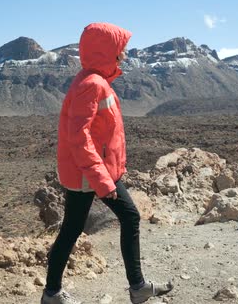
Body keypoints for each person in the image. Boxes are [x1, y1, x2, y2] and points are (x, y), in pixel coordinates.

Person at [41, 22, 174, 304]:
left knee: (75, 228)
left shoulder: (95, 80)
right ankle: (134, 288)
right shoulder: (91, 84)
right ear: (106, 51)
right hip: (91, 173)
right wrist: (102, 179)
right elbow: (79, 136)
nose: (124, 54)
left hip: (96, 170)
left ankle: (53, 293)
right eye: (120, 49)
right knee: (125, 217)